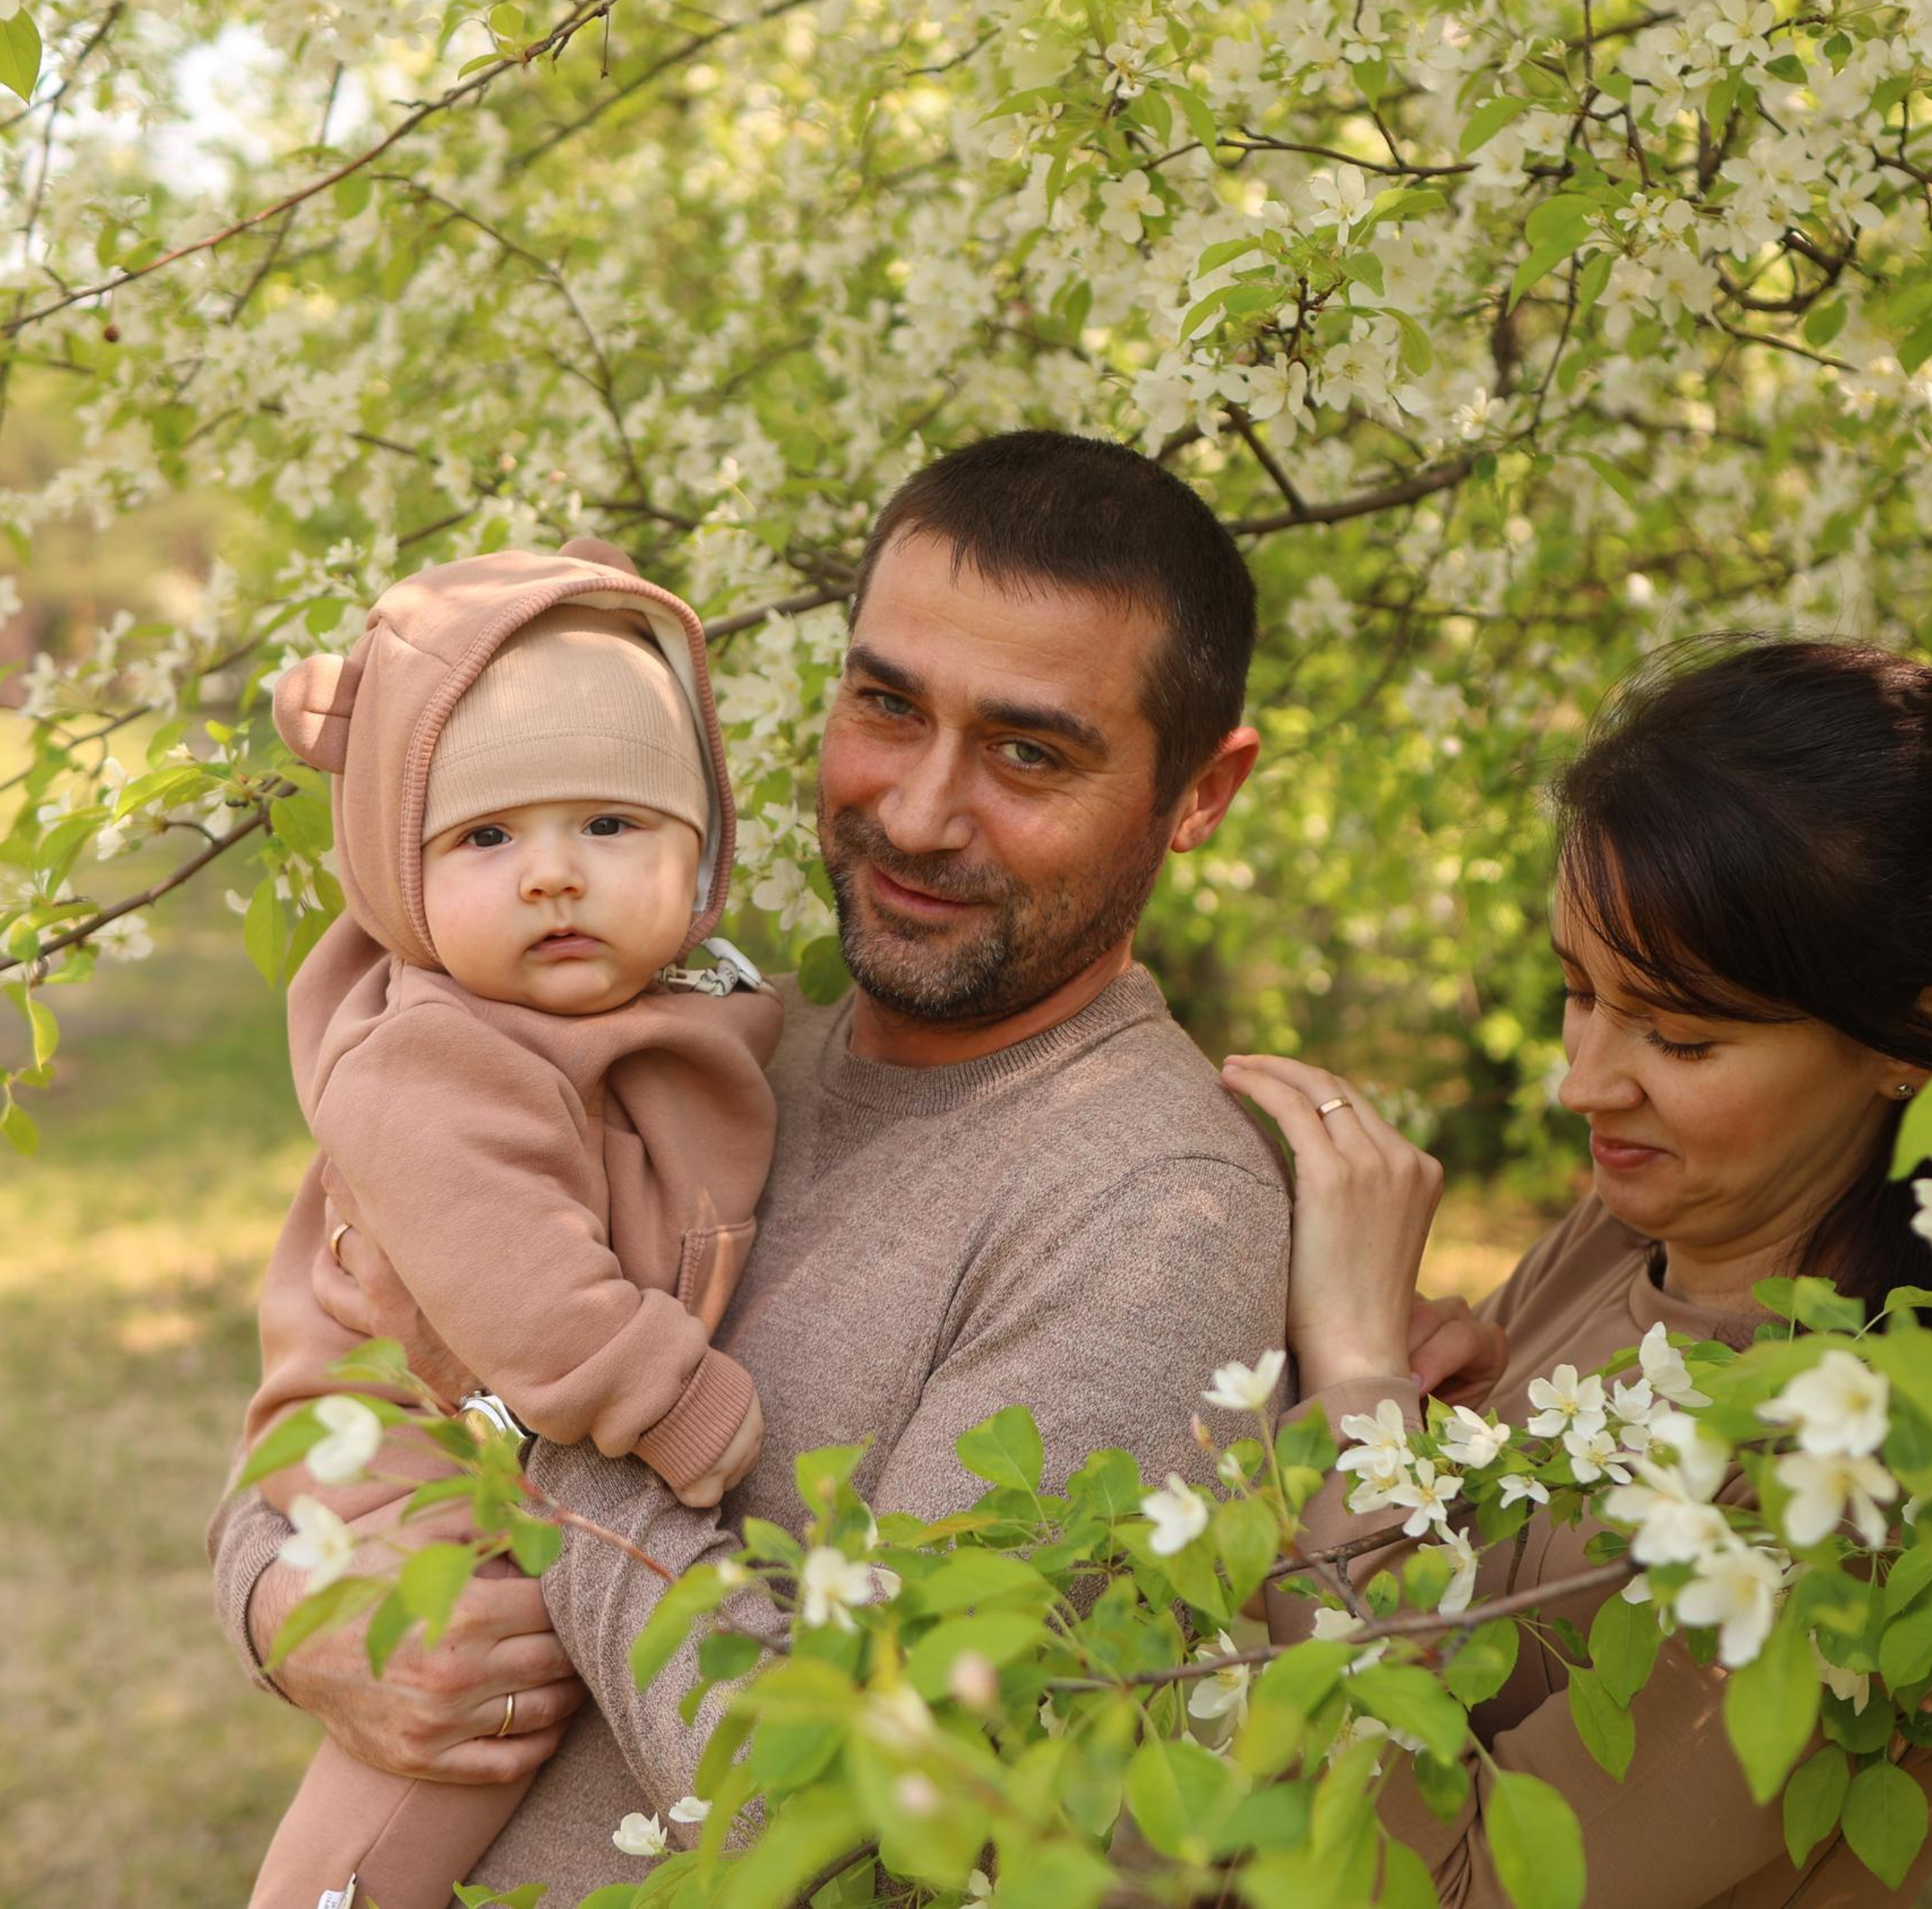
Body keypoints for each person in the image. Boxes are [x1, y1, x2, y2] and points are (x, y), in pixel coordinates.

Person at [208, 431, 1306, 1901]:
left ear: (1199, 792)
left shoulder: (1154, 1217)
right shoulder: (711, 1039)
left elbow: (870, 1830)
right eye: (885, 704)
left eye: (1027, 750)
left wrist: (523, 1428)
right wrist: (290, 1607)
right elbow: (333, 1386)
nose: (916, 811)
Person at [1227, 636, 1932, 1905]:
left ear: (1906, 1043)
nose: (1583, 1085)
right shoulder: (1634, 1231)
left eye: (1681, 1036)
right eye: (1574, 992)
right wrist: (1450, 1437)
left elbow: (1447, 1889)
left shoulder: (1848, 1492)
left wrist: (1352, 1373)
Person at [241, 537, 783, 1908]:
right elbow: (522, 1289)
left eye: (609, 826)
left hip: (498, 1464)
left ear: (702, 848)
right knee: (444, 1745)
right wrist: (669, 1400)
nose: (553, 875)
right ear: (399, 873)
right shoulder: (434, 1060)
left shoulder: (667, 1011)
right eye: (486, 837)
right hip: (413, 1486)